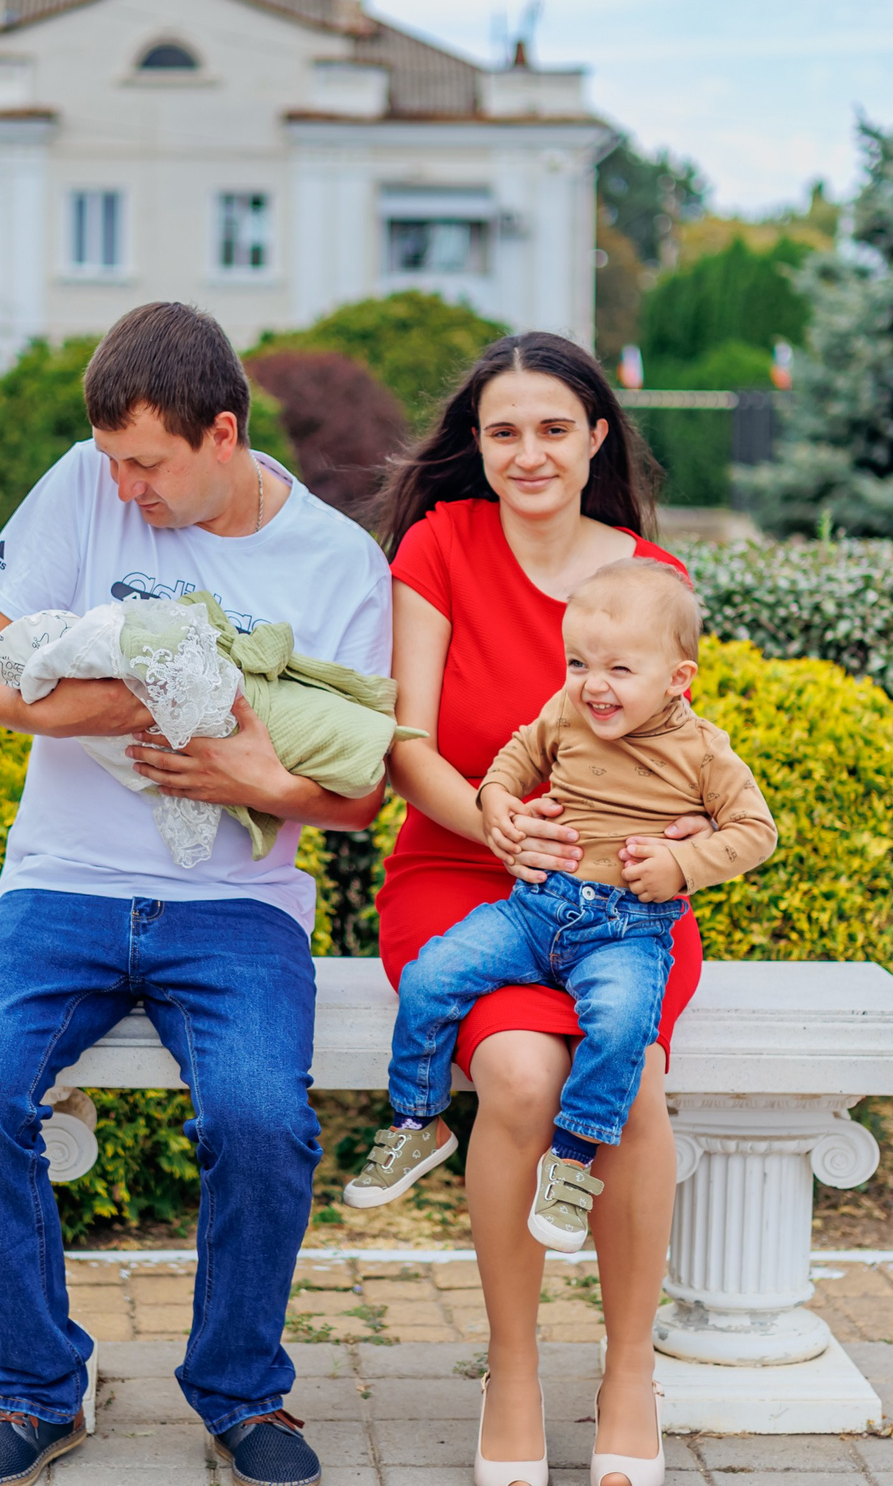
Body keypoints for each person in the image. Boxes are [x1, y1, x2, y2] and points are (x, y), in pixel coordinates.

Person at [0, 301, 391, 1486]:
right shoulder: (83, 481)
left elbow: (354, 798)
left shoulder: (336, 561)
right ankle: (40, 1388)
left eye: (147, 464)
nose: (123, 486)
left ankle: (240, 1395)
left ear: (221, 434)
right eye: (112, 459)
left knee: (260, 1123)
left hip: (236, 909)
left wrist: (247, 767)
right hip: (61, 885)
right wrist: (159, 695)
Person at [372, 333, 709, 1486]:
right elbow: (403, 744)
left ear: (597, 436)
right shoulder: (440, 544)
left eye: (553, 428)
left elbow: (696, 757)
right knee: (515, 1076)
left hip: (621, 894)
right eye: (503, 431)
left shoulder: (649, 574)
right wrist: (495, 825)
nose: (528, 453)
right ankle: (512, 1373)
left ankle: (627, 1374)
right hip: (462, 872)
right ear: (477, 443)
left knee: (637, 1076)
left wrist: (674, 854)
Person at [344, 559, 775, 1264]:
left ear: (678, 678)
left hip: (628, 927)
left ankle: (572, 1163)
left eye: (619, 669)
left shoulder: (704, 750)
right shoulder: (566, 711)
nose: (593, 683)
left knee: (622, 1027)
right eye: (578, 662)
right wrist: (498, 801)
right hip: (537, 908)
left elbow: (756, 831)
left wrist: (681, 866)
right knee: (431, 975)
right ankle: (418, 1118)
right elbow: (517, 753)